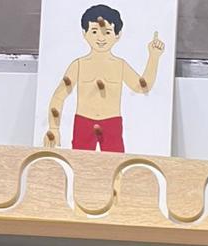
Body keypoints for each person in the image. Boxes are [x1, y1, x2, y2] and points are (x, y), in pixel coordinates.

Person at [46, 5, 165, 153]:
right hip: (83, 122)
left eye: (107, 32)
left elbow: (142, 87)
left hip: (112, 123)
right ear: (84, 33)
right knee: (80, 163)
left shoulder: (120, 65)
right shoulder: (78, 65)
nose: (101, 38)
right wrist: (53, 128)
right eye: (94, 31)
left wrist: (154, 57)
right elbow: (59, 96)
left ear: (118, 35)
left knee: (116, 164)